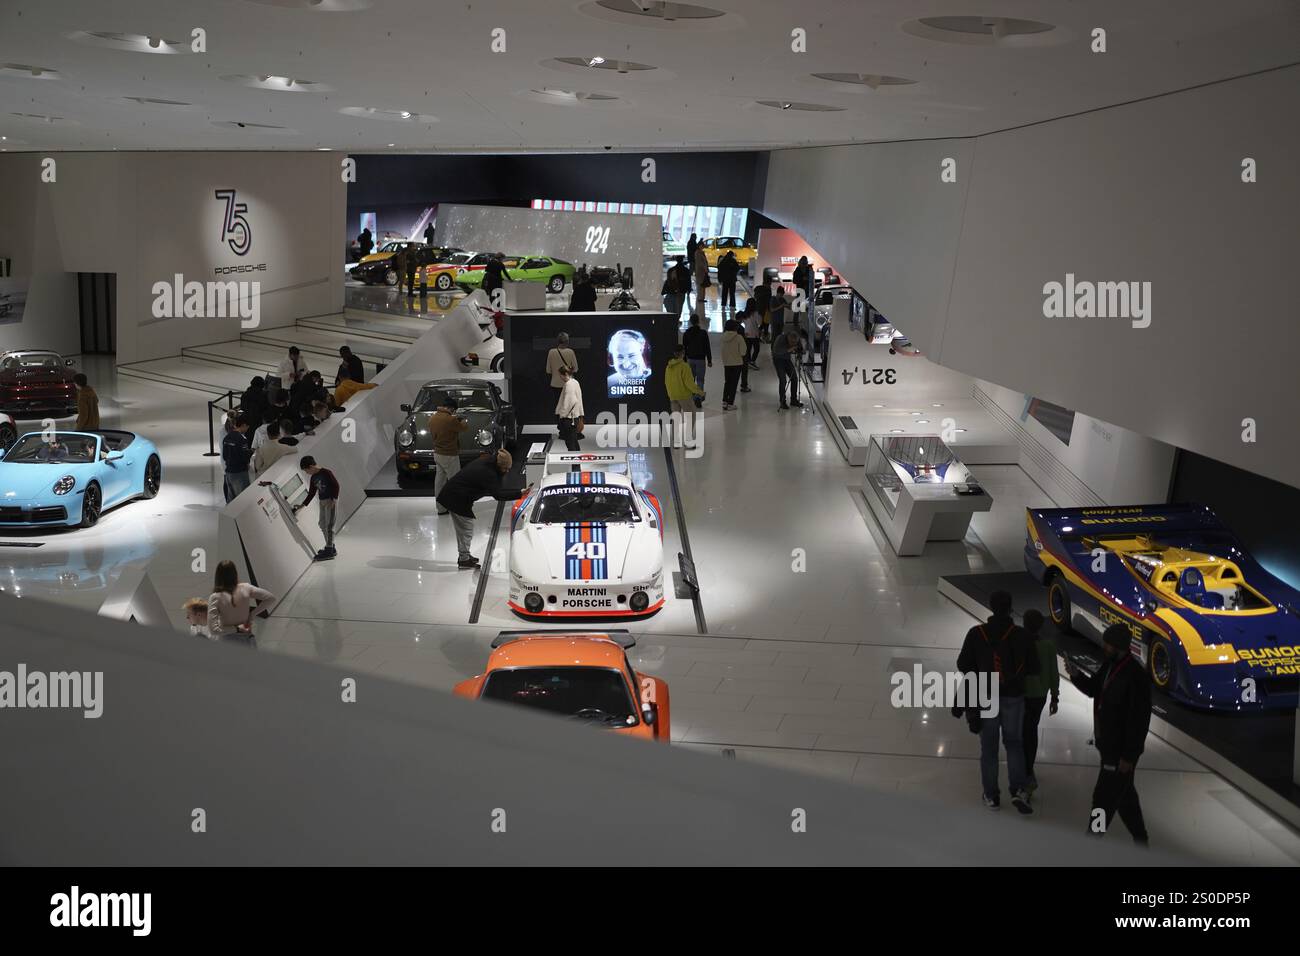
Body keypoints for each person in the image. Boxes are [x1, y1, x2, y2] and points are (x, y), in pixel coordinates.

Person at [956, 589, 1039, 814]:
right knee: (1014, 744)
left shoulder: (976, 634)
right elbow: (1034, 668)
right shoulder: (1022, 636)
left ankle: (991, 795)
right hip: (1014, 697)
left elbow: (963, 665)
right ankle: (1018, 790)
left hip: (986, 698)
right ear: (1010, 607)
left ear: (991, 607)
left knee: (989, 749)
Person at [1070, 624, 1151, 844]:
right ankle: (1141, 841)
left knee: (1103, 797)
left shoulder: (1136, 677)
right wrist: (1077, 676)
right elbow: (1095, 689)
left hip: (1119, 752)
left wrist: (1129, 756)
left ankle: (1092, 839)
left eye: (1108, 644)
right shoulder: (1109, 666)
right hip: (1107, 744)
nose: (1104, 646)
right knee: (1124, 796)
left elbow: (1139, 721)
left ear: (1119, 647)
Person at [436, 449, 530, 570]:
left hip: (458, 496)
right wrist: (519, 493)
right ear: (499, 465)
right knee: (466, 530)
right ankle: (464, 559)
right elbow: (498, 495)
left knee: (464, 530)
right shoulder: (488, 472)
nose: (507, 471)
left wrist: (518, 492)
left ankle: (465, 555)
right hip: (456, 499)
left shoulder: (488, 462)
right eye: (505, 469)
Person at [1021, 608, 1059, 795]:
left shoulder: (1018, 644)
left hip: (1020, 694)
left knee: (1020, 730)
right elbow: (1054, 673)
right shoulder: (1048, 647)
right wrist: (1055, 697)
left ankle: (1024, 769)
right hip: (1039, 696)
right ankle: (1028, 768)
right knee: (1031, 730)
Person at [206, 559, 275, 646]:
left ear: (218, 576)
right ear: (235, 573)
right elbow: (271, 598)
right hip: (246, 638)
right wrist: (252, 615)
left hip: (226, 640)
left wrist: (237, 629)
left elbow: (213, 630)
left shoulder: (215, 597)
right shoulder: (246, 588)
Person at [293, 456, 340, 561]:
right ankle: (330, 546)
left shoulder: (326, 472)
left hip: (330, 501)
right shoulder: (313, 477)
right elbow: (311, 493)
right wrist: (302, 505)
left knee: (329, 525)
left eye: (306, 470)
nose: (306, 473)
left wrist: (334, 499)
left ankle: (329, 550)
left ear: (311, 467)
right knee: (322, 523)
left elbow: (336, 485)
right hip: (322, 502)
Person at [427, 397, 468, 514]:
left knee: (439, 483)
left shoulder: (433, 418)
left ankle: (441, 508)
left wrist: (455, 418)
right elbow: (464, 428)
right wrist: (463, 419)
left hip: (438, 454)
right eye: (454, 411)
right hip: (450, 455)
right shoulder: (450, 420)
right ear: (451, 408)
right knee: (455, 482)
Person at [606, 329, 651, 394]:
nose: (626, 365)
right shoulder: (609, 383)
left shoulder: (655, 381)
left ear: (643, 353)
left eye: (631, 355)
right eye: (620, 357)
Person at [221, 413, 253, 502]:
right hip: (240, 473)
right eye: (247, 427)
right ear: (243, 425)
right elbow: (244, 457)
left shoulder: (227, 437)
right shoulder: (242, 439)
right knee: (242, 499)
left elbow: (224, 456)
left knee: (231, 499)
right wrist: (250, 453)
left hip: (229, 472)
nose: (247, 429)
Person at [682, 313, 711, 409]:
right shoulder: (703, 333)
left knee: (691, 379)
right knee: (700, 380)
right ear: (698, 321)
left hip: (690, 359)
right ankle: (698, 397)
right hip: (701, 359)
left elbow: (684, 348)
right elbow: (707, 347)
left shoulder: (687, 333)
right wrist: (709, 359)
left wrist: (684, 359)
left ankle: (691, 397)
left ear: (690, 322)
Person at [771, 330, 804, 410]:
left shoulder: (796, 339)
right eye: (791, 342)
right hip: (778, 359)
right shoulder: (780, 338)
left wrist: (800, 351)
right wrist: (790, 349)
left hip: (787, 359)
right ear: (788, 338)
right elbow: (775, 351)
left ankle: (793, 400)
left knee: (794, 379)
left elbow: (801, 349)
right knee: (783, 380)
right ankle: (782, 402)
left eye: (794, 342)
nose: (793, 343)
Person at [555, 365, 584, 451]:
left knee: (570, 443)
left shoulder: (568, 385)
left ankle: (575, 464)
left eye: (560, 375)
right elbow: (579, 400)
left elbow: (570, 401)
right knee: (574, 441)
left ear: (565, 374)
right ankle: (576, 464)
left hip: (569, 418)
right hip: (574, 417)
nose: (560, 377)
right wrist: (581, 414)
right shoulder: (575, 382)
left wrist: (562, 415)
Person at [720, 319, 746, 410]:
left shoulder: (723, 337)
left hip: (727, 363)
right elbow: (743, 352)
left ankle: (724, 402)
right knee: (734, 383)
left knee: (727, 382)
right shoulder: (739, 337)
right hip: (737, 363)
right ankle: (730, 403)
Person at [741, 301, 761, 373]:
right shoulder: (755, 313)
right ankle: (752, 362)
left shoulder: (745, 313)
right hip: (754, 334)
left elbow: (743, 322)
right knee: (756, 349)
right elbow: (759, 322)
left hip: (747, 333)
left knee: (748, 349)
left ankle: (749, 361)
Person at [693, 242, 710, 317]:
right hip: (700, 271)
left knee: (703, 284)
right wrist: (704, 268)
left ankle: (702, 298)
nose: (703, 247)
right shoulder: (697, 253)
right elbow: (700, 263)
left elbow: (705, 262)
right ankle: (700, 298)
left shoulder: (702, 252)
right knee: (700, 284)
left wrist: (706, 268)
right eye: (702, 246)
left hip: (703, 271)